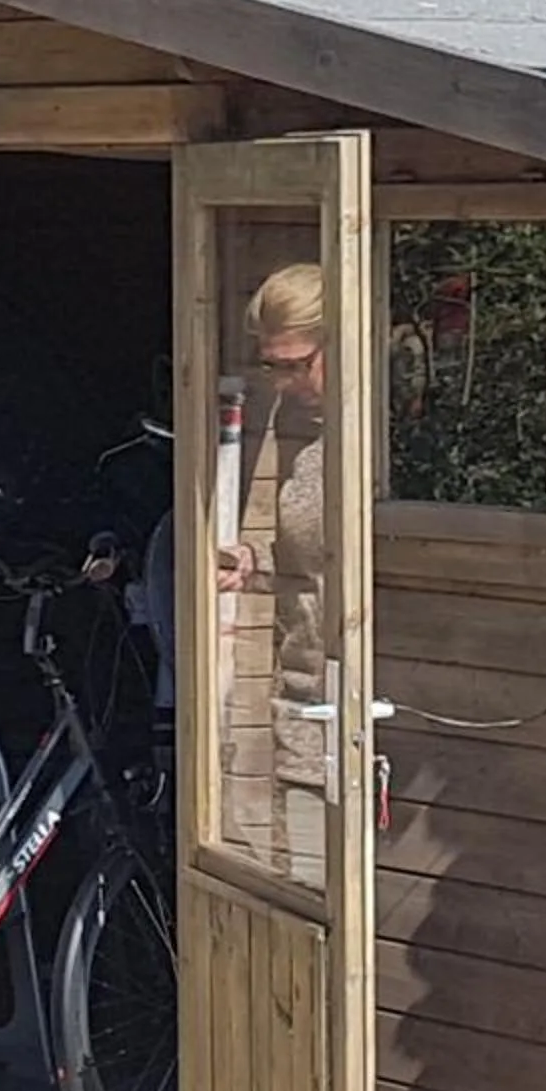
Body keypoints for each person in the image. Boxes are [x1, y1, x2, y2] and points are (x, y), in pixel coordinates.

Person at [217, 262, 331, 889]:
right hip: (307, 714)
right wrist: (256, 566)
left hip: (372, 723)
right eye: (273, 368)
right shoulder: (314, 452)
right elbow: (311, 570)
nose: (285, 385)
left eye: (296, 364)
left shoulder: (387, 450)